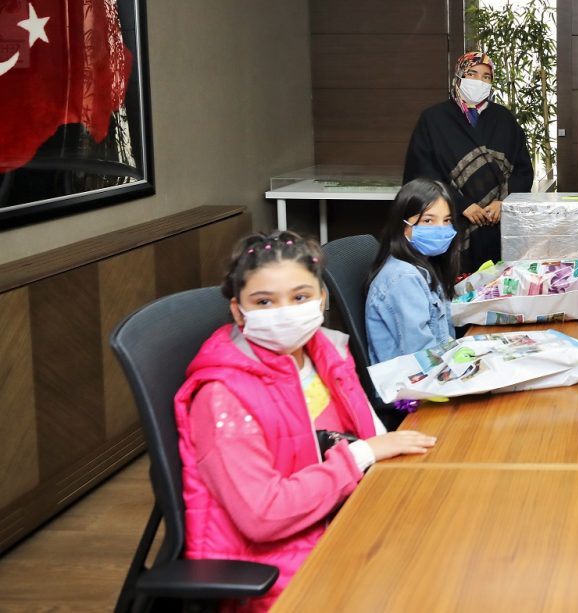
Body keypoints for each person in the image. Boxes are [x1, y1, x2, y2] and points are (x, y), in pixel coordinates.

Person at [175, 231, 436, 610]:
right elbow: (264, 516)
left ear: (322, 298)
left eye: (299, 297)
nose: (285, 312)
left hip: (346, 521)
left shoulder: (326, 351)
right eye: (264, 301)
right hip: (283, 569)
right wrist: (362, 455)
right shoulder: (222, 397)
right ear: (238, 311)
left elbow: (367, 432)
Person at [403, 52, 534, 274]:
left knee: (496, 282)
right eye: (472, 74)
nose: (479, 81)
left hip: (497, 224)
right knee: (457, 282)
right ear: (459, 76)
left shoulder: (504, 119)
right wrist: (461, 204)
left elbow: (523, 169)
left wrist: (504, 202)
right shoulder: (433, 119)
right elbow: (422, 173)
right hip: (453, 222)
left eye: (486, 77)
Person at [366, 179, 460, 363]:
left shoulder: (426, 265)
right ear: (403, 226)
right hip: (416, 377)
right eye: (428, 220)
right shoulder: (404, 278)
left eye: (447, 220)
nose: (440, 229)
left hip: (438, 367)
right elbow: (424, 357)